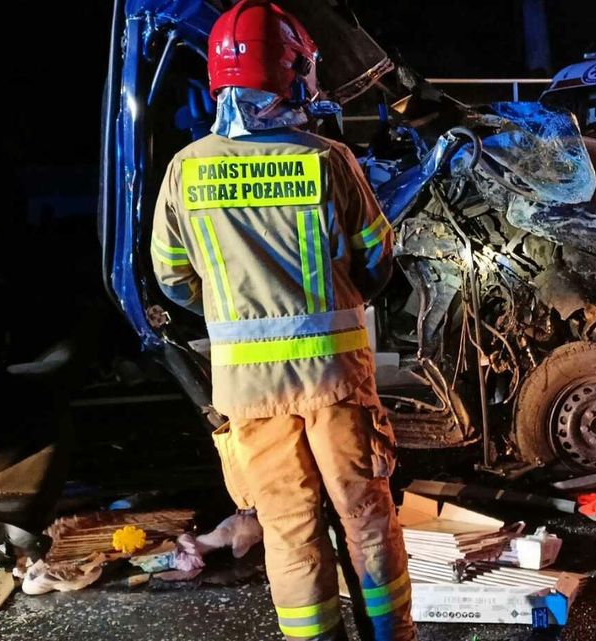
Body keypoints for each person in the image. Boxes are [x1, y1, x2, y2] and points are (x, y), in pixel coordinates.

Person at [149, 2, 415, 639]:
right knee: (366, 518)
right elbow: (377, 260)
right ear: (292, 72)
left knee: (288, 531)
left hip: (249, 391)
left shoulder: (186, 171)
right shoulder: (328, 160)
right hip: (334, 380)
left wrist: (232, 312)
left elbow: (173, 278)